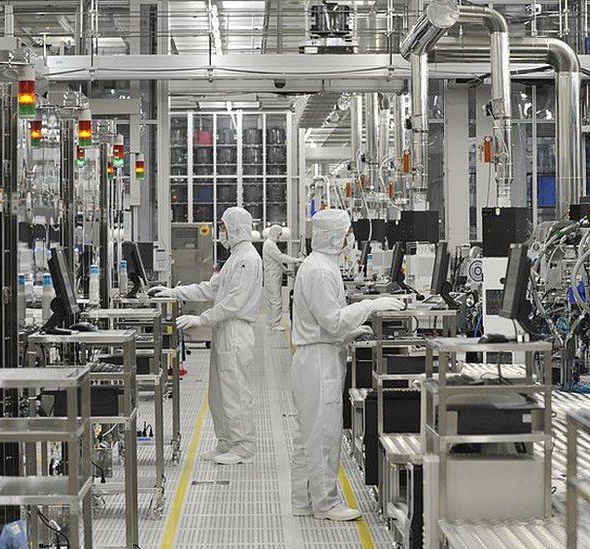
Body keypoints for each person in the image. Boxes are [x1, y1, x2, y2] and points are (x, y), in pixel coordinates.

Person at [290, 209, 404, 521]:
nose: (350, 238)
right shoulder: (321, 271)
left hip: (316, 354)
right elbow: (333, 322)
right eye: (347, 232)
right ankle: (326, 504)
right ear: (336, 236)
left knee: (309, 435)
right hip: (318, 360)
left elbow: (329, 323)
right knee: (323, 436)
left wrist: (353, 329)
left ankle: (303, 499)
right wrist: (369, 306)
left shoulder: (320, 265)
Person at [153, 207, 262, 465]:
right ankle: (226, 442)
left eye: (223, 227)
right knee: (219, 393)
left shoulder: (248, 258)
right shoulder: (235, 257)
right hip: (224, 331)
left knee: (235, 391)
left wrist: (201, 319)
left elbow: (233, 303)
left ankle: (243, 446)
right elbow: (209, 288)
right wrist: (174, 292)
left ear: (235, 227)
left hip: (236, 331)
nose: (221, 232)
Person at [262, 225, 302, 331]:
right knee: (276, 301)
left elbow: (276, 260)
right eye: (279, 235)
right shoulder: (270, 244)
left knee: (272, 300)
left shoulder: (270, 244)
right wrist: (296, 260)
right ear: (275, 233)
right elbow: (280, 257)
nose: (280, 237)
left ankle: (270, 322)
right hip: (272, 277)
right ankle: (275, 324)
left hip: (273, 276)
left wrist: (285, 270)